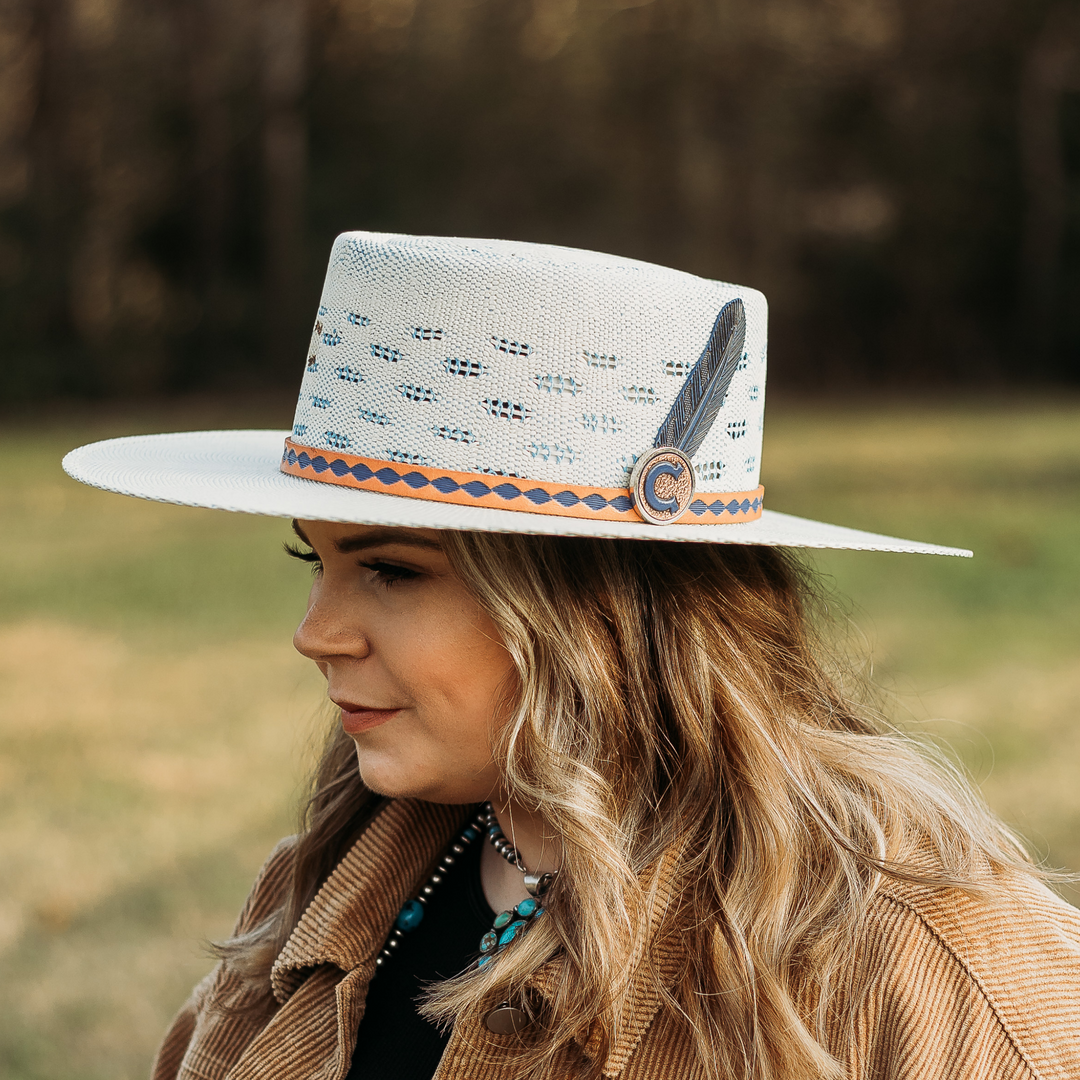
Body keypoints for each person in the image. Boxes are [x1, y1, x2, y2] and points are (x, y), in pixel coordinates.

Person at [63, 233, 1080, 1080]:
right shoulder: (328, 890)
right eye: (314, 560)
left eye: (394, 571)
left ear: (601, 605)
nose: (314, 631)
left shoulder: (913, 958)